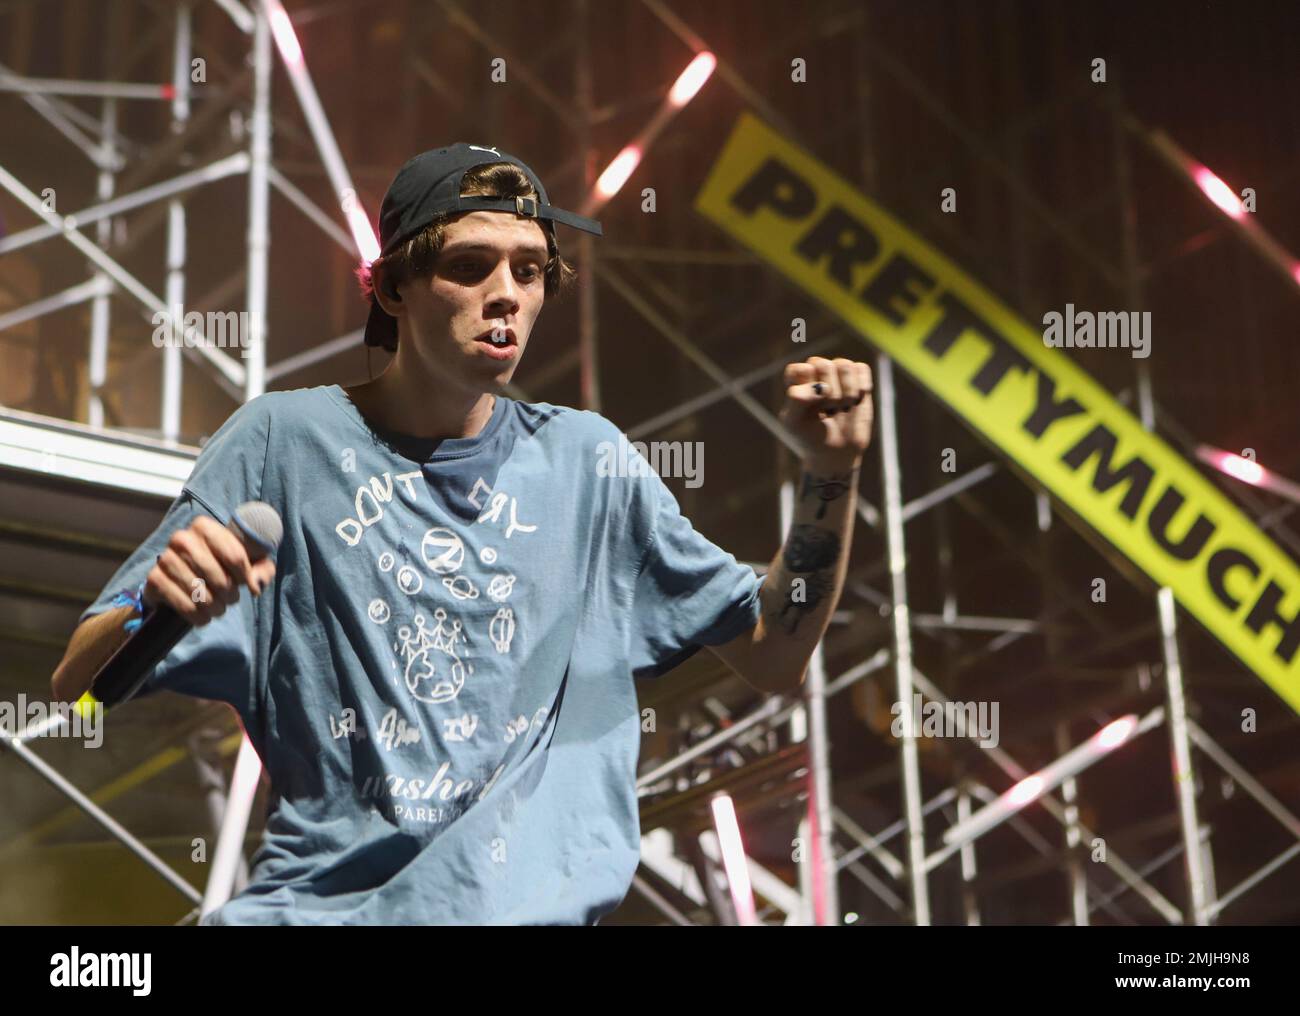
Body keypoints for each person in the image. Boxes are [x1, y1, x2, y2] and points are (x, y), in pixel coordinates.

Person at [51, 142, 873, 925]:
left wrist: (830, 474)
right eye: (470, 266)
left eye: (530, 269)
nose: (508, 293)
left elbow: (773, 649)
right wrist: (155, 607)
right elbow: (80, 688)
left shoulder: (587, 461)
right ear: (393, 287)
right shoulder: (281, 441)